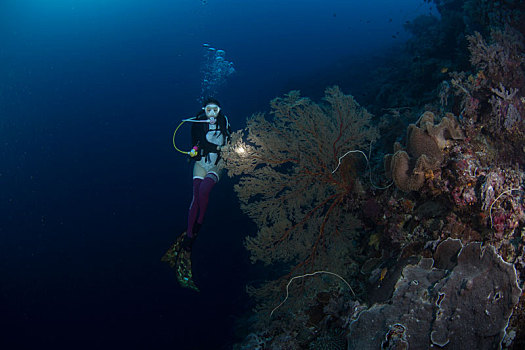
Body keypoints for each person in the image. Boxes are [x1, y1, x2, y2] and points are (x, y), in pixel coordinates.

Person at [162, 98, 231, 291]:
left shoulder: (225, 122)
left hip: (217, 165)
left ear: (219, 110)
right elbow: (195, 145)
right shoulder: (197, 123)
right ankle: (189, 235)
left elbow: (230, 143)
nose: (211, 113)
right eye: (208, 110)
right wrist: (193, 151)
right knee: (195, 196)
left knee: (204, 191)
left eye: (215, 110)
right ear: (204, 110)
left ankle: (197, 228)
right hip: (201, 164)